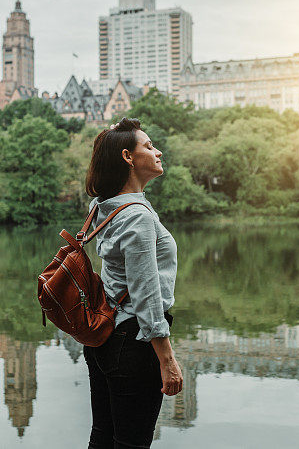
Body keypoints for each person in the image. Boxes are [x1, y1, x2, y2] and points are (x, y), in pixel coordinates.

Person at [82, 117, 183, 449]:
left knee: (104, 437)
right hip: (133, 342)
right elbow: (146, 292)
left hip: (103, 335)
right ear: (128, 157)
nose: (159, 152)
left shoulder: (106, 207)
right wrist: (166, 359)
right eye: (149, 146)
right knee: (132, 444)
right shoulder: (137, 216)